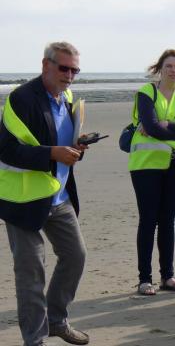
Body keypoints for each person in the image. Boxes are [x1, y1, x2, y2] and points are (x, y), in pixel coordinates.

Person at [0, 42, 90, 345]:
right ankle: (34, 340)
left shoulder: (66, 97)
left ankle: (56, 320)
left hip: (59, 195)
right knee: (31, 274)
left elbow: (64, 143)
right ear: (45, 65)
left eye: (74, 70)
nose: (69, 75)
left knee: (75, 256)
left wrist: (77, 149)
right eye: (63, 68)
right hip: (23, 200)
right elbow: (7, 150)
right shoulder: (21, 98)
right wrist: (53, 152)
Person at [128, 49, 175, 296]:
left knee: (167, 220)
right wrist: (173, 130)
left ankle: (168, 276)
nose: (173, 70)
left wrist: (167, 125)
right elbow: (149, 127)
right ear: (160, 69)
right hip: (146, 164)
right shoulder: (146, 93)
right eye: (169, 66)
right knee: (148, 220)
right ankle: (144, 279)